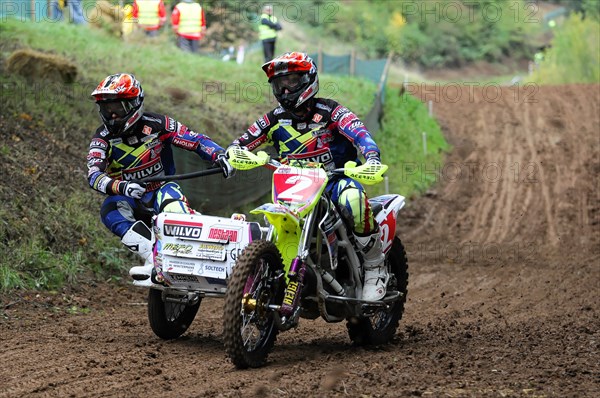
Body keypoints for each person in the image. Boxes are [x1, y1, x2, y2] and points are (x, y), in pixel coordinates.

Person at [229, 52, 388, 301]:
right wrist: (233, 154)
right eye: (279, 83)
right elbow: (241, 143)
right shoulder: (274, 119)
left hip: (334, 181)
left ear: (308, 79)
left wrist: (372, 158)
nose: (284, 88)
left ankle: (374, 266)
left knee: (354, 201)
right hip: (293, 186)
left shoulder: (331, 111)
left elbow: (360, 134)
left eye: (291, 81)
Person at [87, 73, 234, 285]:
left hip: (161, 189)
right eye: (106, 109)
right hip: (128, 197)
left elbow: (195, 140)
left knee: (173, 205)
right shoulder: (102, 138)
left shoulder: (159, 124)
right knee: (109, 211)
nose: (112, 115)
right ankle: (153, 258)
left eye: (117, 108)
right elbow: (93, 175)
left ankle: (195, 254)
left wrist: (218, 154)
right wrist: (122, 187)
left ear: (134, 104)